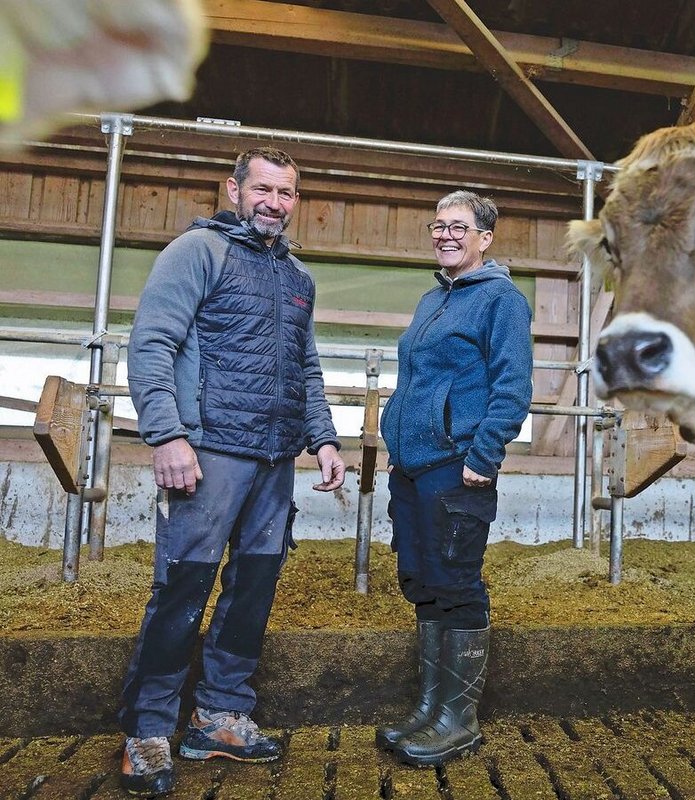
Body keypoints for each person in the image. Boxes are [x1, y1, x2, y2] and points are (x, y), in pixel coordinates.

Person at [119, 146, 346, 797]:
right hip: (206, 454)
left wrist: (323, 440)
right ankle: (147, 730)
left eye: (287, 192)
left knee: (253, 591)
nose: (275, 201)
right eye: (264, 188)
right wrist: (167, 434)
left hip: (274, 463)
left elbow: (305, 368)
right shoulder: (197, 252)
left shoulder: (297, 277)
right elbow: (152, 341)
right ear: (234, 189)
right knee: (184, 589)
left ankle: (218, 714)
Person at [376, 190, 533, 767]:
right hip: (414, 466)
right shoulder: (430, 300)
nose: (446, 234)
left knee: (456, 580)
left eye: (459, 227)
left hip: (456, 465)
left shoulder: (503, 301)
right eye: (438, 225)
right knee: (421, 578)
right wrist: (399, 440)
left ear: (485, 238)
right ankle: (429, 708)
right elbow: (413, 381)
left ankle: (458, 720)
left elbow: (513, 388)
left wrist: (482, 456)